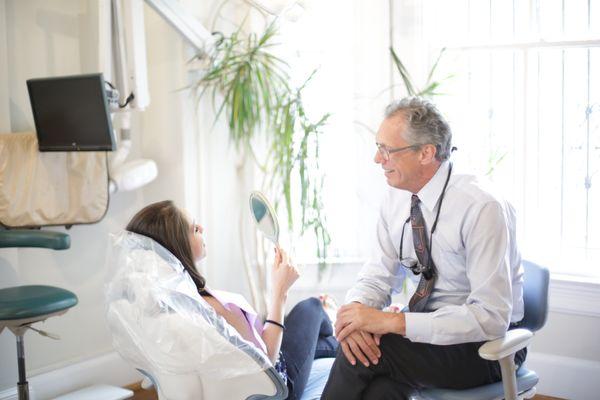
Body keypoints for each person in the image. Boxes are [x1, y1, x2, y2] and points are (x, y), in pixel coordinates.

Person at [321, 97, 525, 399]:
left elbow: (491, 319)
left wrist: (391, 322)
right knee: (380, 388)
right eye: (379, 147)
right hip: (428, 335)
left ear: (426, 153)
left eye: (387, 150)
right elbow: (377, 274)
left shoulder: (483, 206)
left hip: (486, 348)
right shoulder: (396, 196)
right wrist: (356, 314)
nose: (378, 159)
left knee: (363, 355)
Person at [125, 200, 338, 400]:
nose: (202, 228)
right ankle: (335, 324)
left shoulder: (170, 305)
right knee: (312, 306)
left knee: (325, 341)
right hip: (278, 387)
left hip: (250, 378)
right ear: (177, 246)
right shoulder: (211, 309)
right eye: (194, 229)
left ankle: (338, 337)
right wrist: (279, 292)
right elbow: (267, 361)